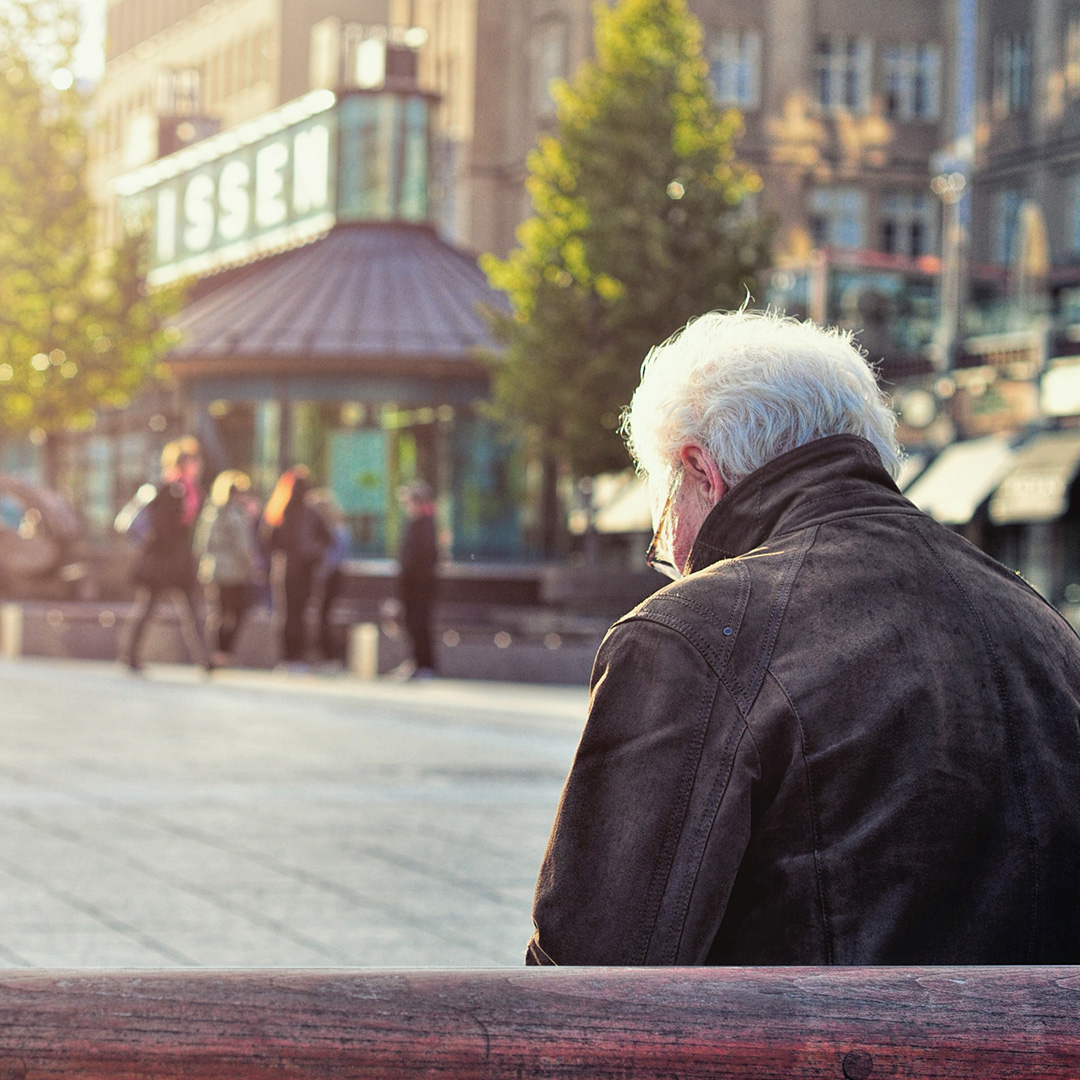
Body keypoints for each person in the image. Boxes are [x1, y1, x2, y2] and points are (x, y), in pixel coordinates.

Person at [527, 309, 1080, 967]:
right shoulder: (1038, 621)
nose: (672, 554)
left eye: (661, 528)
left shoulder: (691, 635)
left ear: (702, 471)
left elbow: (592, 973)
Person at [120, 436, 212, 673]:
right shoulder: (170, 490)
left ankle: (205, 660)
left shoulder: (190, 491)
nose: (198, 465)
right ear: (184, 463)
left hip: (179, 562)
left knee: (192, 611)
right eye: (194, 460)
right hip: (163, 562)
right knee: (149, 608)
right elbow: (162, 528)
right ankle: (129, 655)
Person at [263, 467, 331, 668]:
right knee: (298, 613)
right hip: (303, 569)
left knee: (287, 613)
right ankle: (296, 657)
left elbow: (268, 541)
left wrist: (286, 551)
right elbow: (328, 538)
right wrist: (312, 553)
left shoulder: (280, 510)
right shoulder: (309, 513)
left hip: (286, 568)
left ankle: (288, 657)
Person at [193, 469, 260, 667]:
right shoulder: (235, 514)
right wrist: (253, 566)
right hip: (235, 571)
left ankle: (215, 653)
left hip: (213, 570)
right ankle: (224, 653)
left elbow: (200, 545)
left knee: (219, 612)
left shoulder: (210, 513)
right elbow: (244, 547)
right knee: (236, 612)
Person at [396, 480, 438, 679]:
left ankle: (424, 664)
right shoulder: (416, 524)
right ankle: (417, 662)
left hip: (419, 585)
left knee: (419, 623)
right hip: (413, 584)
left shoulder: (425, 525)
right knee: (413, 623)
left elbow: (423, 559)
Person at [308, 488, 350, 666]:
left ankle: (329, 654)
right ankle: (325, 653)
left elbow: (334, 557)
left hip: (330, 576)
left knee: (325, 614)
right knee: (323, 614)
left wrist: (319, 575)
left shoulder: (335, 530)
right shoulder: (337, 528)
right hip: (332, 575)